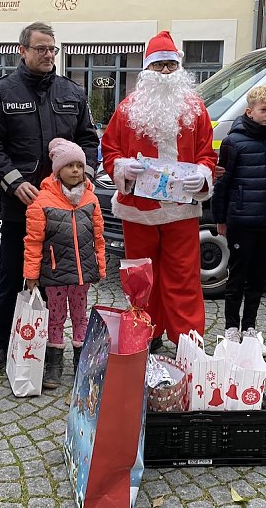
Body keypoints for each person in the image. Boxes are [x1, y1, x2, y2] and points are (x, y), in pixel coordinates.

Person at [0, 22, 99, 371]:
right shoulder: (2, 92)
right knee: (13, 275)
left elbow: (89, 139)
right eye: (41, 49)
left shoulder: (72, 92)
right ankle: (1, 344)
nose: (48, 55)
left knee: (58, 279)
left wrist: (84, 179)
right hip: (23, 205)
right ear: (23, 51)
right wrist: (14, 182)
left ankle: (49, 346)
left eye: (52, 49)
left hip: (67, 210)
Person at [101, 30, 217, 351]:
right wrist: (123, 167)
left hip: (181, 211)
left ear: (179, 68)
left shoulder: (195, 109)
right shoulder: (127, 109)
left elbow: (207, 152)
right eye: (158, 66)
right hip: (138, 209)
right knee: (140, 275)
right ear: (147, 69)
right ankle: (146, 333)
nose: (165, 72)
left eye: (170, 65)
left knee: (183, 276)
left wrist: (203, 175)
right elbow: (109, 150)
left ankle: (186, 339)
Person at [23, 138, 106, 389]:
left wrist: (100, 266)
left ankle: (82, 361)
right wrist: (31, 274)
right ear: (57, 170)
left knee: (81, 317)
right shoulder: (42, 202)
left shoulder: (91, 199)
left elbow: (98, 237)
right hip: (56, 275)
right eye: (69, 166)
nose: (75, 171)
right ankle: (54, 364)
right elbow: (33, 242)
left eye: (79, 166)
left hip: (83, 276)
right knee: (56, 318)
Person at [211, 85, 266, 349]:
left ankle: (249, 326)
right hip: (240, 220)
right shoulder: (233, 142)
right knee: (237, 275)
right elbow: (223, 183)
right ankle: (231, 327)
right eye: (264, 110)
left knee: (257, 277)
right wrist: (220, 217)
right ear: (250, 111)